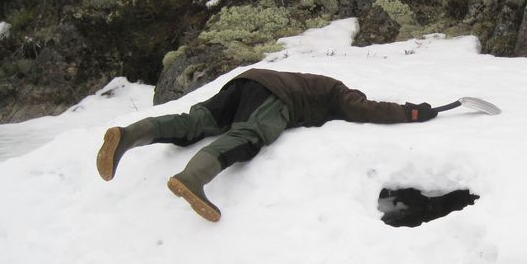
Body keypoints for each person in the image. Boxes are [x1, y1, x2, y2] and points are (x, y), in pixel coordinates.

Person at [96, 69, 437, 222]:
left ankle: (127, 135)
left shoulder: (309, 79)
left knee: (195, 122)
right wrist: (411, 113)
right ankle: (193, 178)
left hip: (246, 81)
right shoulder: (336, 91)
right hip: (275, 97)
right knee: (247, 135)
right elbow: (365, 109)